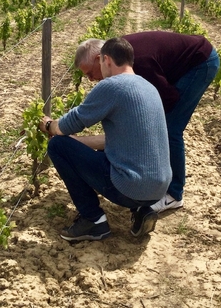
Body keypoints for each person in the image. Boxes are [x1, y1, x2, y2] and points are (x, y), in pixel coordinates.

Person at [40, 37, 171, 242]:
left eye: (93, 70)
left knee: (57, 145)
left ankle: (93, 220)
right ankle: (141, 210)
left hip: (131, 188)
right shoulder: (148, 86)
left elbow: (68, 124)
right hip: (159, 191)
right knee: (97, 151)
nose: (92, 79)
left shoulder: (112, 86)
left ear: (105, 59)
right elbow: (115, 140)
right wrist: (74, 145)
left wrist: (48, 125)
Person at [74, 31, 220, 213]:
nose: (91, 80)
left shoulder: (139, 65)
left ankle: (174, 195)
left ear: (101, 59)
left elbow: (168, 98)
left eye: (90, 73)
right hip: (181, 64)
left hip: (201, 61)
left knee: (170, 128)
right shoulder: (121, 59)